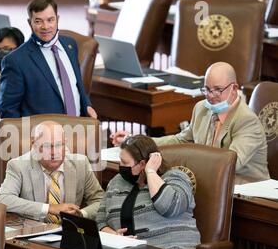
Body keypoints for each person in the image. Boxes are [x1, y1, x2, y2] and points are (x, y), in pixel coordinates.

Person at [111, 62, 270, 182]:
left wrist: (190, 158)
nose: (210, 95)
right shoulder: (202, 108)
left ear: (234, 89)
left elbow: (231, 164)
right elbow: (179, 140)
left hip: (246, 190)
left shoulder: (247, 121)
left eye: (217, 90)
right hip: (210, 182)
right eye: (206, 89)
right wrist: (136, 142)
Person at [96, 135, 201, 249]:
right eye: (120, 160)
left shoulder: (176, 178)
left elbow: (171, 207)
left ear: (142, 164)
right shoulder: (117, 182)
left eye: (125, 162)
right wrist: (115, 236)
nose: (120, 165)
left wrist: (150, 172)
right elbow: (100, 221)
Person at [0, 0, 97, 118]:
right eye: (38, 21)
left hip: (77, 129)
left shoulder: (70, 45)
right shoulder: (15, 60)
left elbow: (77, 85)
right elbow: (7, 111)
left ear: (57, 19)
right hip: (41, 135)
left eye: (50, 20)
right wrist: (31, 135)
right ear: (30, 23)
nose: (45, 27)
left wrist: (87, 105)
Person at [0, 121, 104, 222]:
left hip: (70, 231)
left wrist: (81, 214)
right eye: (47, 146)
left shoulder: (80, 164)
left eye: (59, 145)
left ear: (65, 143)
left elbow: (100, 201)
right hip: (33, 232)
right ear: (34, 145)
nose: (54, 152)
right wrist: (50, 208)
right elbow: (3, 199)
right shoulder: (18, 165)